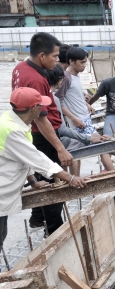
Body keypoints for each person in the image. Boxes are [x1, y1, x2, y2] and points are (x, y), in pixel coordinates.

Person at [0, 88, 88, 249]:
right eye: (41, 105)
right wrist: (70, 178)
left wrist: (33, 181)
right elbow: (37, 159)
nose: (43, 109)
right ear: (34, 109)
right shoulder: (11, 130)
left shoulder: (11, 120)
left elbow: (22, 158)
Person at [12, 32, 73, 234]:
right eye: (55, 56)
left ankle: (37, 218)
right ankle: (55, 229)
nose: (57, 61)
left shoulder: (21, 67)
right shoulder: (37, 79)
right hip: (43, 135)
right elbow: (41, 118)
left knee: (40, 178)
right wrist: (60, 148)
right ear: (41, 56)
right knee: (53, 180)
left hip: (33, 132)